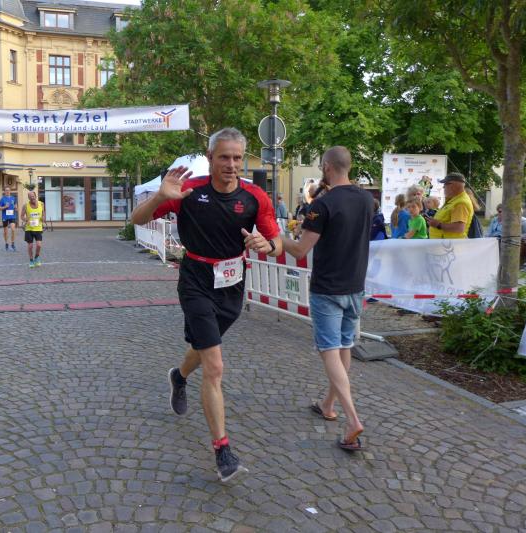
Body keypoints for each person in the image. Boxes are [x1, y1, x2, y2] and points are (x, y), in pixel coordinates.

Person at [131, 127, 281, 482]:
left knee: (204, 347)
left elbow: (276, 243)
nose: (231, 164)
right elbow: (137, 219)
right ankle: (222, 450)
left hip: (232, 284)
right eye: (224, 157)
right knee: (214, 366)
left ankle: (179, 376)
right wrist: (159, 197)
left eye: (237, 158)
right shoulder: (188, 190)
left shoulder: (255, 196)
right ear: (210, 157)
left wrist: (268, 245)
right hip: (196, 280)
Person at [277, 146, 372, 452]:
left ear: (328, 167)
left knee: (329, 351)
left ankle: (352, 420)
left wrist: (277, 238)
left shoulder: (323, 204)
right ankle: (328, 405)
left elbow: (300, 250)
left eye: (321, 166)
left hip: (328, 288)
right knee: (343, 346)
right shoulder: (366, 199)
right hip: (355, 285)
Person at [426, 173, 473, 239]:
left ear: (453, 185)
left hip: (450, 244)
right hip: (446, 243)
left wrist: (438, 225)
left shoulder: (460, 203)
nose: (443, 187)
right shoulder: (455, 200)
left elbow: (459, 228)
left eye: (445, 184)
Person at [21, 190, 45, 267]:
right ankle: (31, 260)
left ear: (35, 196)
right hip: (29, 228)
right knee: (30, 246)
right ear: (28, 198)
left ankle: (37, 257)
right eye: (30, 197)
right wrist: (26, 219)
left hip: (38, 228)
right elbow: (22, 216)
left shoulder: (41, 204)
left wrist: (43, 218)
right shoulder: (25, 205)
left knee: (39, 245)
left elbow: (43, 214)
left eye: (33, 196)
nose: (32, 198)